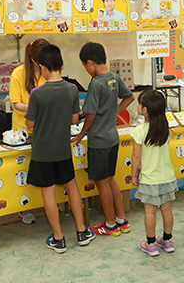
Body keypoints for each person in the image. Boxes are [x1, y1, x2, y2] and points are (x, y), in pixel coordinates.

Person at [24, 44, 95, 253]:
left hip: (42, 152)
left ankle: (58, 238)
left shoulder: (37, 93)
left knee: (48, 194)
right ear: (62, 65)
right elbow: (74, 119)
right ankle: (81, 231)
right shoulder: (72, 89)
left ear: (42, 67)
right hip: (63, 149)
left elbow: (29, 123)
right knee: (72, 188)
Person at [73, 42, 135, 236]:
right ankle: (121, 220)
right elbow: (129, 97)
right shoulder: (114, 78)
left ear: (90, 63)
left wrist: (81, 133)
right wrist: (114, 112)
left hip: (99, 140)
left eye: (85, 66)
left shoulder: (97, 83)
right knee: (110, 179)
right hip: (112, 138)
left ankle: (110, 225)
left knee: (102, 183)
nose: (86, 69)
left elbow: (90, 115)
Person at [131, 90, 177, 256]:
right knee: (166, 209)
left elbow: (136, 157)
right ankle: (167, 241)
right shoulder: (165, 129)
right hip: (167, 176)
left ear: (145, 110)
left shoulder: (139, 131)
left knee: (150, 212)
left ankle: (151, 244)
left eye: (140, 103)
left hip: (149, 178)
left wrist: (133, 175)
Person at [9, 38, 49, 224]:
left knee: (46, 169)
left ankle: (50, 201)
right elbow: (16, 103)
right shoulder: (18, 74)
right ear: (33, 59)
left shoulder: (48, 71)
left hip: (45, 129)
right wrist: (35, 108)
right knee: (24, 171)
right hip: (23, 130)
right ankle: (24, 207)